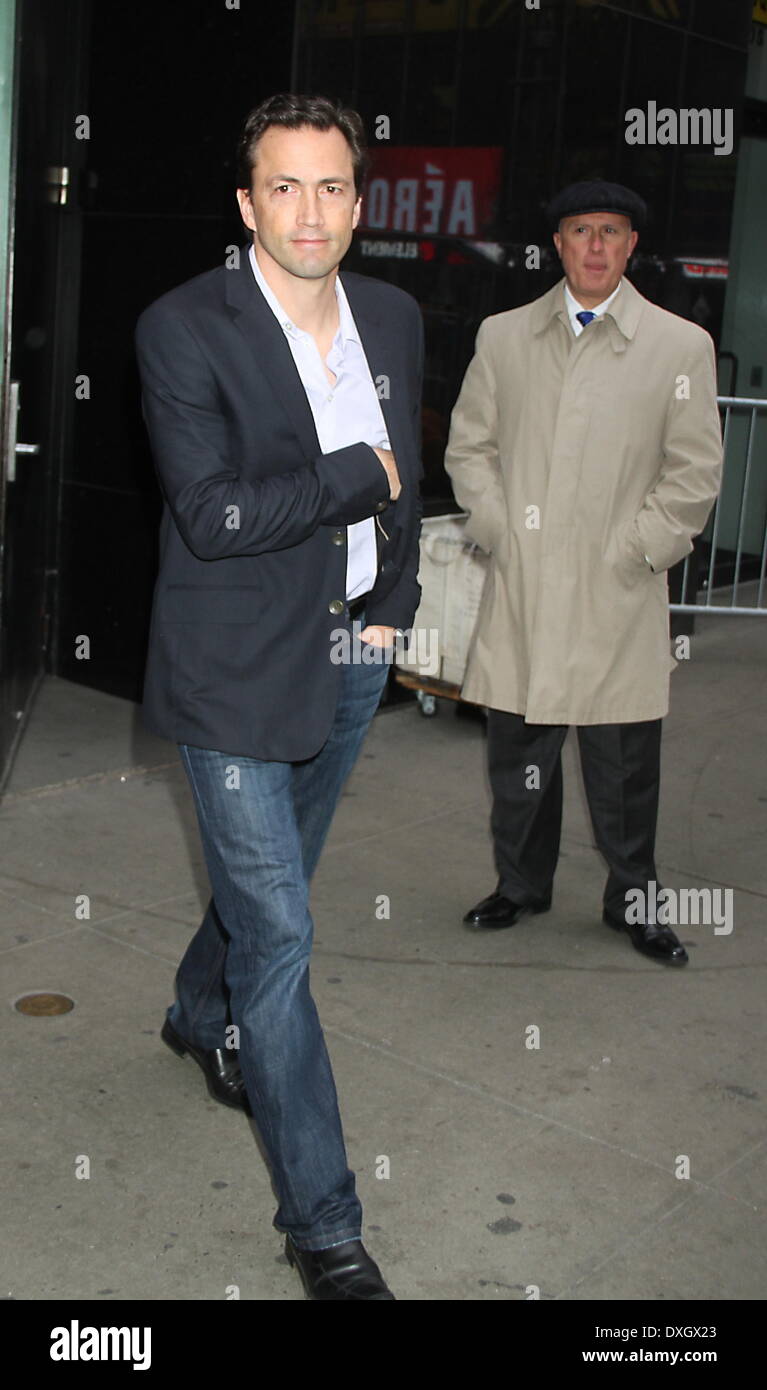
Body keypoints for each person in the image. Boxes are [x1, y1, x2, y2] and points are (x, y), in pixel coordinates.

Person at [134, 93, 423, 1300]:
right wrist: (358, 476)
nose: (311, 212)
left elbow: (419, 474)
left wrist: (392, 606)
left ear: (360, 199)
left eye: (333, 187)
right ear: (247, 201)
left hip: (350, 654)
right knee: (287, 937)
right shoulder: (183, 326)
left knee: (270, 899)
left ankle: (201, 1009)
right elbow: (215, 515)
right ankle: (327, 1228)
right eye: (284, 187)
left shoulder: (398, 317)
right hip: (233, 672)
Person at [444, 180, 722, 967]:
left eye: (610, 231)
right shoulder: (504, 337)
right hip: (527, 588)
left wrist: (639, 549)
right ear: (557, 244)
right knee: (518, 760)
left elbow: (693, 471)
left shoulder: (677, 346)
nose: (595, 245)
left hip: (616, 591)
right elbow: (470, 447)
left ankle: (632, 901)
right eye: (578, 230)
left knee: (624, 765)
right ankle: (520, 885)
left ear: (632, 245)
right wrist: (499, 529)